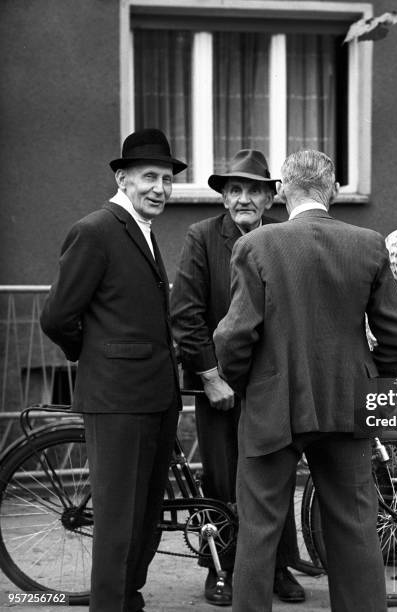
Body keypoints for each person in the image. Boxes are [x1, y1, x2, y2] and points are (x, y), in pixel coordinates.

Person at [213, 150, 397, 611]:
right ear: (335, 192)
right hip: (349, 401)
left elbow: (233, 336)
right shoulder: (368, 245)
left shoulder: (257, 245)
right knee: (354, 525)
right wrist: (374, 374)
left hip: (274, 400)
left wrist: (246, 382)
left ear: (282, 190)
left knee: (260, 529)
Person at [40, 128, 185, 612]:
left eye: (166, 179)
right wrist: (98, 355)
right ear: (122, 178)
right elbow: (58, 316)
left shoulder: (140, 229)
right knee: (119, 520)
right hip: (118, 400)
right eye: (149, 177)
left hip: (154, 398)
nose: (160, 188)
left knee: (144, 517)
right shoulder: (96, 230)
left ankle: (127, 599)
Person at [170, 149, 305, 606]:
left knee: (275, 476)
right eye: (235, 190)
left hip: (271, 385)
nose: (244, 198)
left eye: (254, 190)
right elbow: (186, 314)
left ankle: (278, 567)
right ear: (224, 197)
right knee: (223, 479)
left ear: (270, 198)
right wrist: (210, 377)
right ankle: (220, 566)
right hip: (220, 386)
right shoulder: (202, 237)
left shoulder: (284, 238)